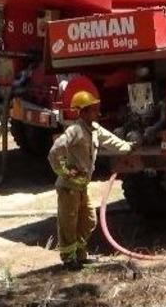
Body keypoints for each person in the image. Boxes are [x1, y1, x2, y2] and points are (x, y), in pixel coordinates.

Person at [48, 90, 132, 270]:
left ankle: (80, 254)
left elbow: (110, 140)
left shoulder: (94, 129)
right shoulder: (75, 130)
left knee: (88, 220)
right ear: (83, 112)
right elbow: (55, 151)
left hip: (81, 186)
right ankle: (69, 258)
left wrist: (129, 147)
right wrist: (64, 171)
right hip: (69, 187)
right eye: (93, 109)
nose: (97, 112)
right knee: (68, 223)